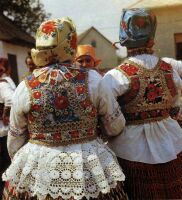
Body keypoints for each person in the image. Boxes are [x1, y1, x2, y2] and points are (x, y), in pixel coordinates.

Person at [2, 17, 128, 200]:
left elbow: (15, 140)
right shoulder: (93, 79)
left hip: (40, 171)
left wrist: (24, 162)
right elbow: (115, 126)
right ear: (71, 43)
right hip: (87, 167)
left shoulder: (25, 86)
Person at [100, 8, 182, 199]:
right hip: (172, 142)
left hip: (131, 148)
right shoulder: (168, 70)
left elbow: (110, 122)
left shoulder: (116, 75)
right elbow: (175, 105)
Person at [0, 58, 16, 197]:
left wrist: (5, 115)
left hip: (2, 133)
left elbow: (11, 99)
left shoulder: (2, 84)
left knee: (3, 167)